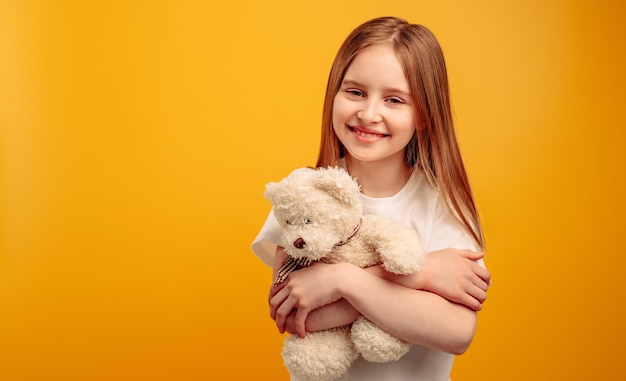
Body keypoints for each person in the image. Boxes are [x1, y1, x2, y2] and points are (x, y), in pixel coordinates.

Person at [252, 16, 491, 380]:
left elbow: (456, 331)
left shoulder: (443, 204)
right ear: (335, 93)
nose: (368, 113)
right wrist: (423, 273)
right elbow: (301, 314)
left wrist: (342, 280)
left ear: (423, 115)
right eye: (355, 92)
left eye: (394, 99)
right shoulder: (303, 193)